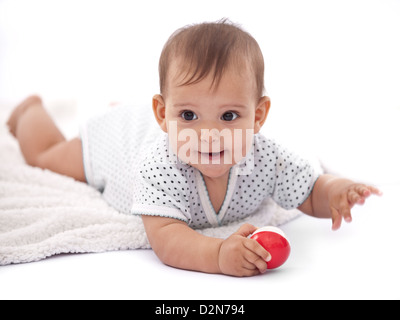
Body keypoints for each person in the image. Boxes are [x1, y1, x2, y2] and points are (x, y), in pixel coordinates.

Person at [6, 20, 381, 277]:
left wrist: (333, 191)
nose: (209, 134)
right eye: (189, 114)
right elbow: (167, 238)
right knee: (47, 157)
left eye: (229, 116)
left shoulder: (266, 157)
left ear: (259, 116)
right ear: (164, 114)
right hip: (121, 142)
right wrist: (218, 255)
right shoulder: (161, 166)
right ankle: (29, 111)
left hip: (150, 124)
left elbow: (307, 189)